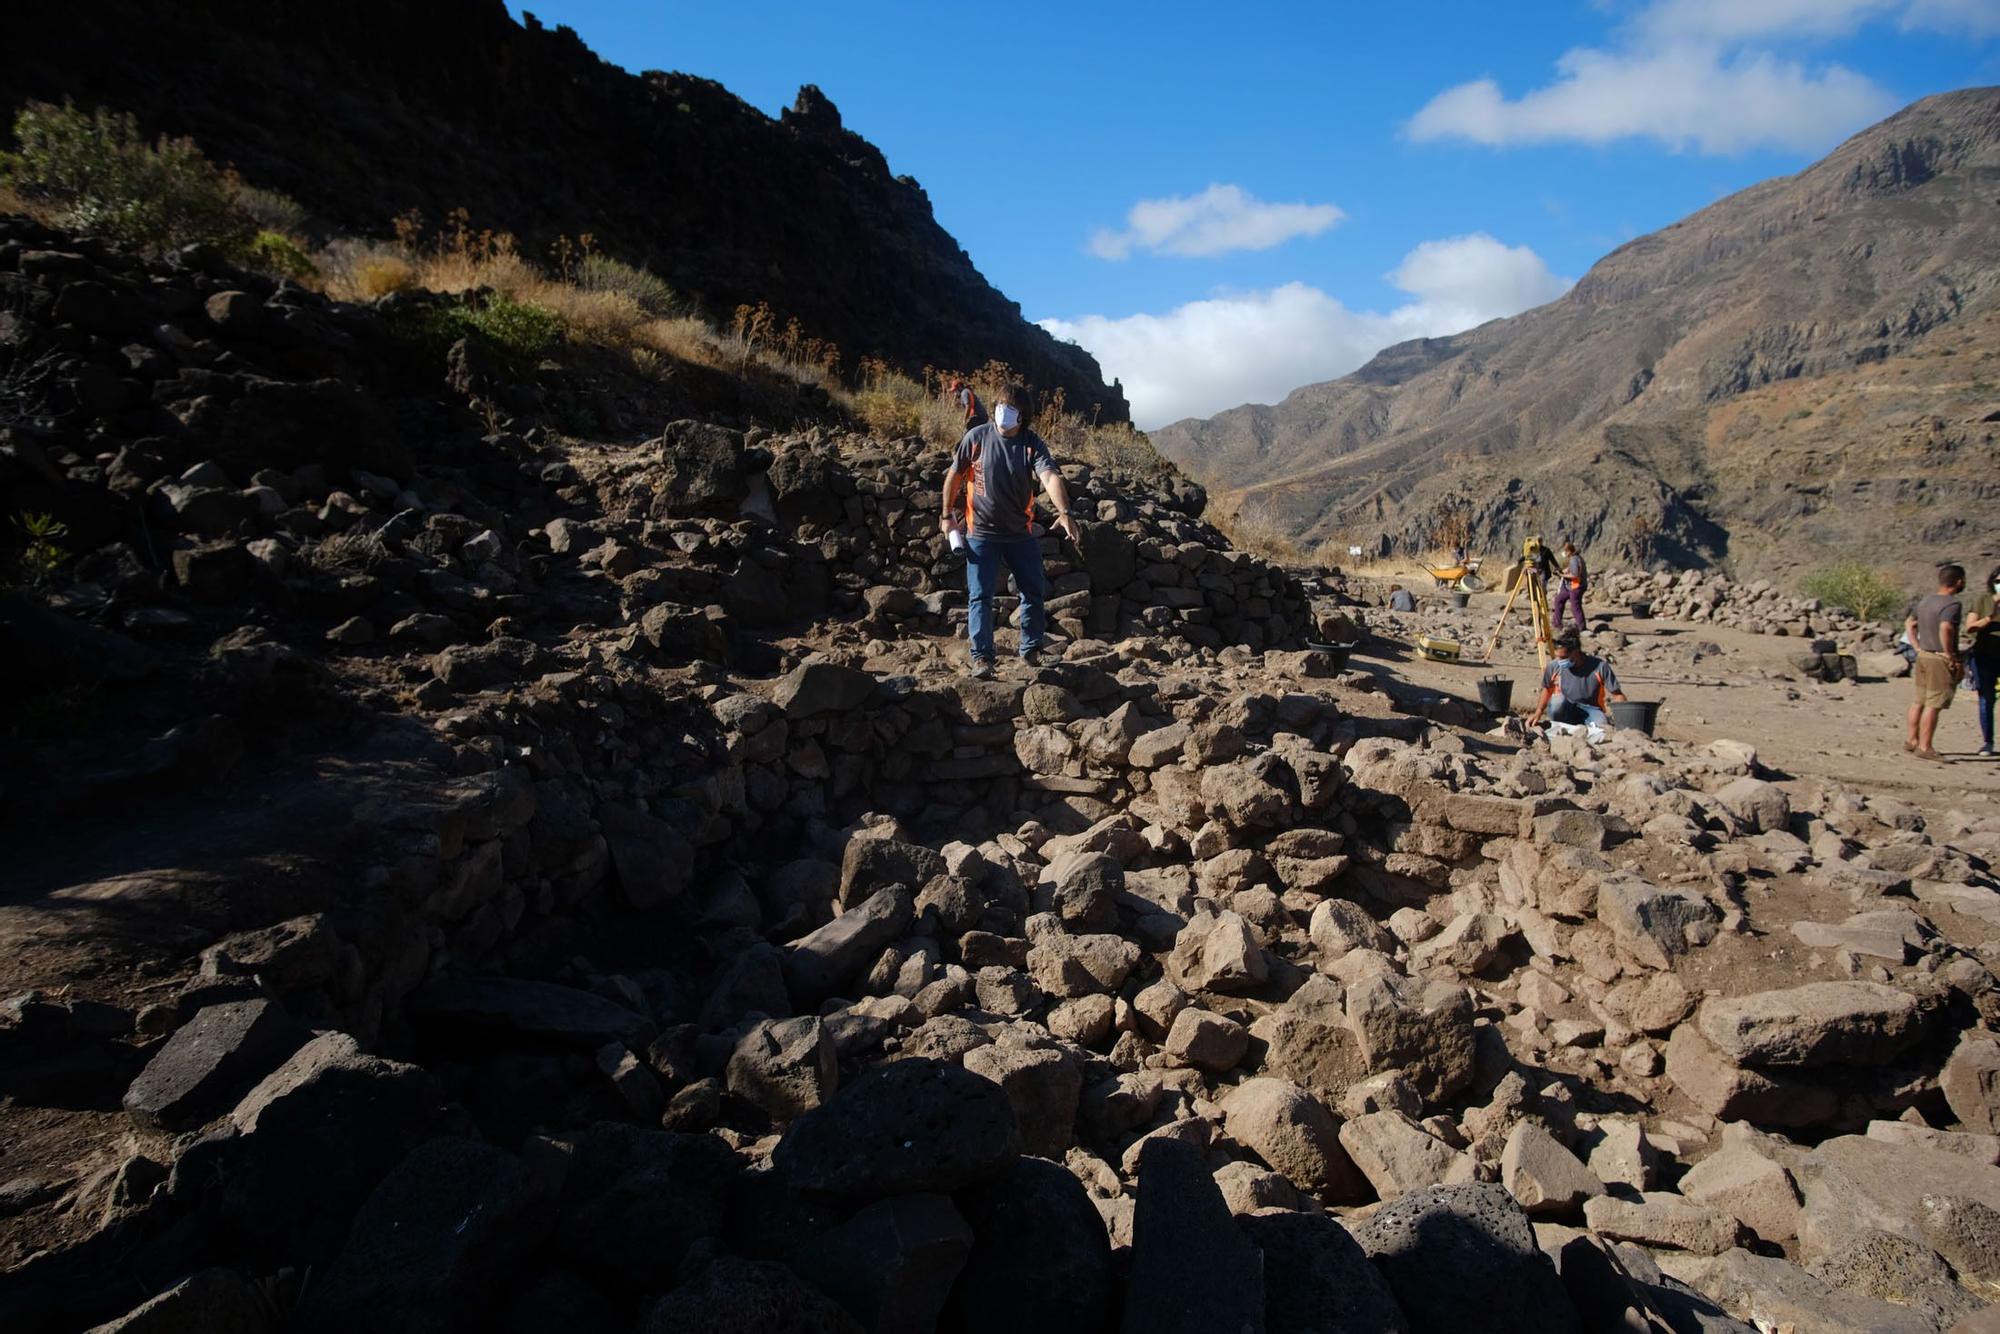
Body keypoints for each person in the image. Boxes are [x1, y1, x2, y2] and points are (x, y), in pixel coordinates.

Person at [939, 382, 1080, 678]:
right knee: (980, 596)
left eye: (1012, 408)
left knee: (1032, 590)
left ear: (1023, 416)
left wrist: (1064, 512)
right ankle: (982, 659)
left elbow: (1049, 477)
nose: (1004, 412)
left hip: (1020, 534)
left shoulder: (1031, 444)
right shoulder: (976, 437)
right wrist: (946, 515)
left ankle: (1030, 650)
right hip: (981, 534)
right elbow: (953, 475)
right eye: (1001, 405)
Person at [1904, 563, 1966, 762]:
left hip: (1923, 655)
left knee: (1919, 700)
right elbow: (1946, 627)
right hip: (1939, 658)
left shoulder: (1925, 600)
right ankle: (1925, 746)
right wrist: (1950, 654)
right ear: (1958, 582)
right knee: (1934, 703)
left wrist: (1917, 646)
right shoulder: (1952, 604)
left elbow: (1909, 623)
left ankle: (1912, 740)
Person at [1528, 630, 1628, 730]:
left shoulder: (1599, 666)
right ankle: (1561, 726)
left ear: (1575, 652)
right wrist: (1538, 712)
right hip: (1566, 707)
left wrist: (1624, 718)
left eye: (1563, 657)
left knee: (1601, 725)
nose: (1559, 660)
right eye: (1557, 656)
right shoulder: (1554, 666)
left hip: (1591, 709)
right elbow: (1547, 689)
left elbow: (1617, 695)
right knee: (1557, 702)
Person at [1967, 563, 2000, 757]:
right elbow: (1969, 628)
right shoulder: (1982, 601)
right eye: (1998, 581)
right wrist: (1990, 618)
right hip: (1984, 657)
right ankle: (1987, 742)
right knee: (1987, 699)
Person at [1551, 540, 1588, 632]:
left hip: (1576, 586)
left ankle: (1581, 627)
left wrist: (1562, 576)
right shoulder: (1576, 558)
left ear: (1569, 551)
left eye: (1566, 551)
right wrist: (1562, 571)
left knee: (1575, 606)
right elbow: (1570, 569)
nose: (1564, 553)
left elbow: (1575, 575)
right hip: (1570, 586)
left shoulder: (1574, 560)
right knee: (1559, 600)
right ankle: (1557, 623)